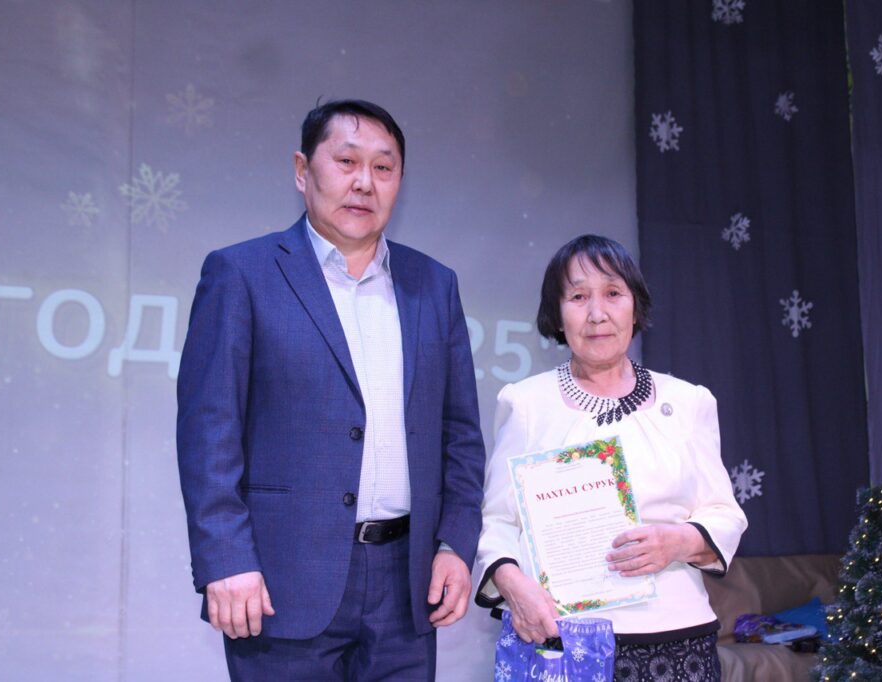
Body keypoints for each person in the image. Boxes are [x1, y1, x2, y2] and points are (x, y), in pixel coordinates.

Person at [176, 99, 485, 680]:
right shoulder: (242, 274)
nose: (364, 182)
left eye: (383, 167)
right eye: (346, 161)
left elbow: (460, 434)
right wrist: (225, 559)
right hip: (280, 582)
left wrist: (455, 544)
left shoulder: (434, 284)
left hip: (407, 587)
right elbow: (209, 432)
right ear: (302, 171)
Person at [475, 234, 747, 681]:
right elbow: (498, 521)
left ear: (635, 307)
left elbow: (723, 513)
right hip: (559, 639)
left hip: (677, 639)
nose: (597, 314)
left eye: (614, 293)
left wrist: (678, 542)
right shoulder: (525, 404)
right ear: (557, 314)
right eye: (578, 297)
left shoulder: (688, 402)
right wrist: (513, 585)